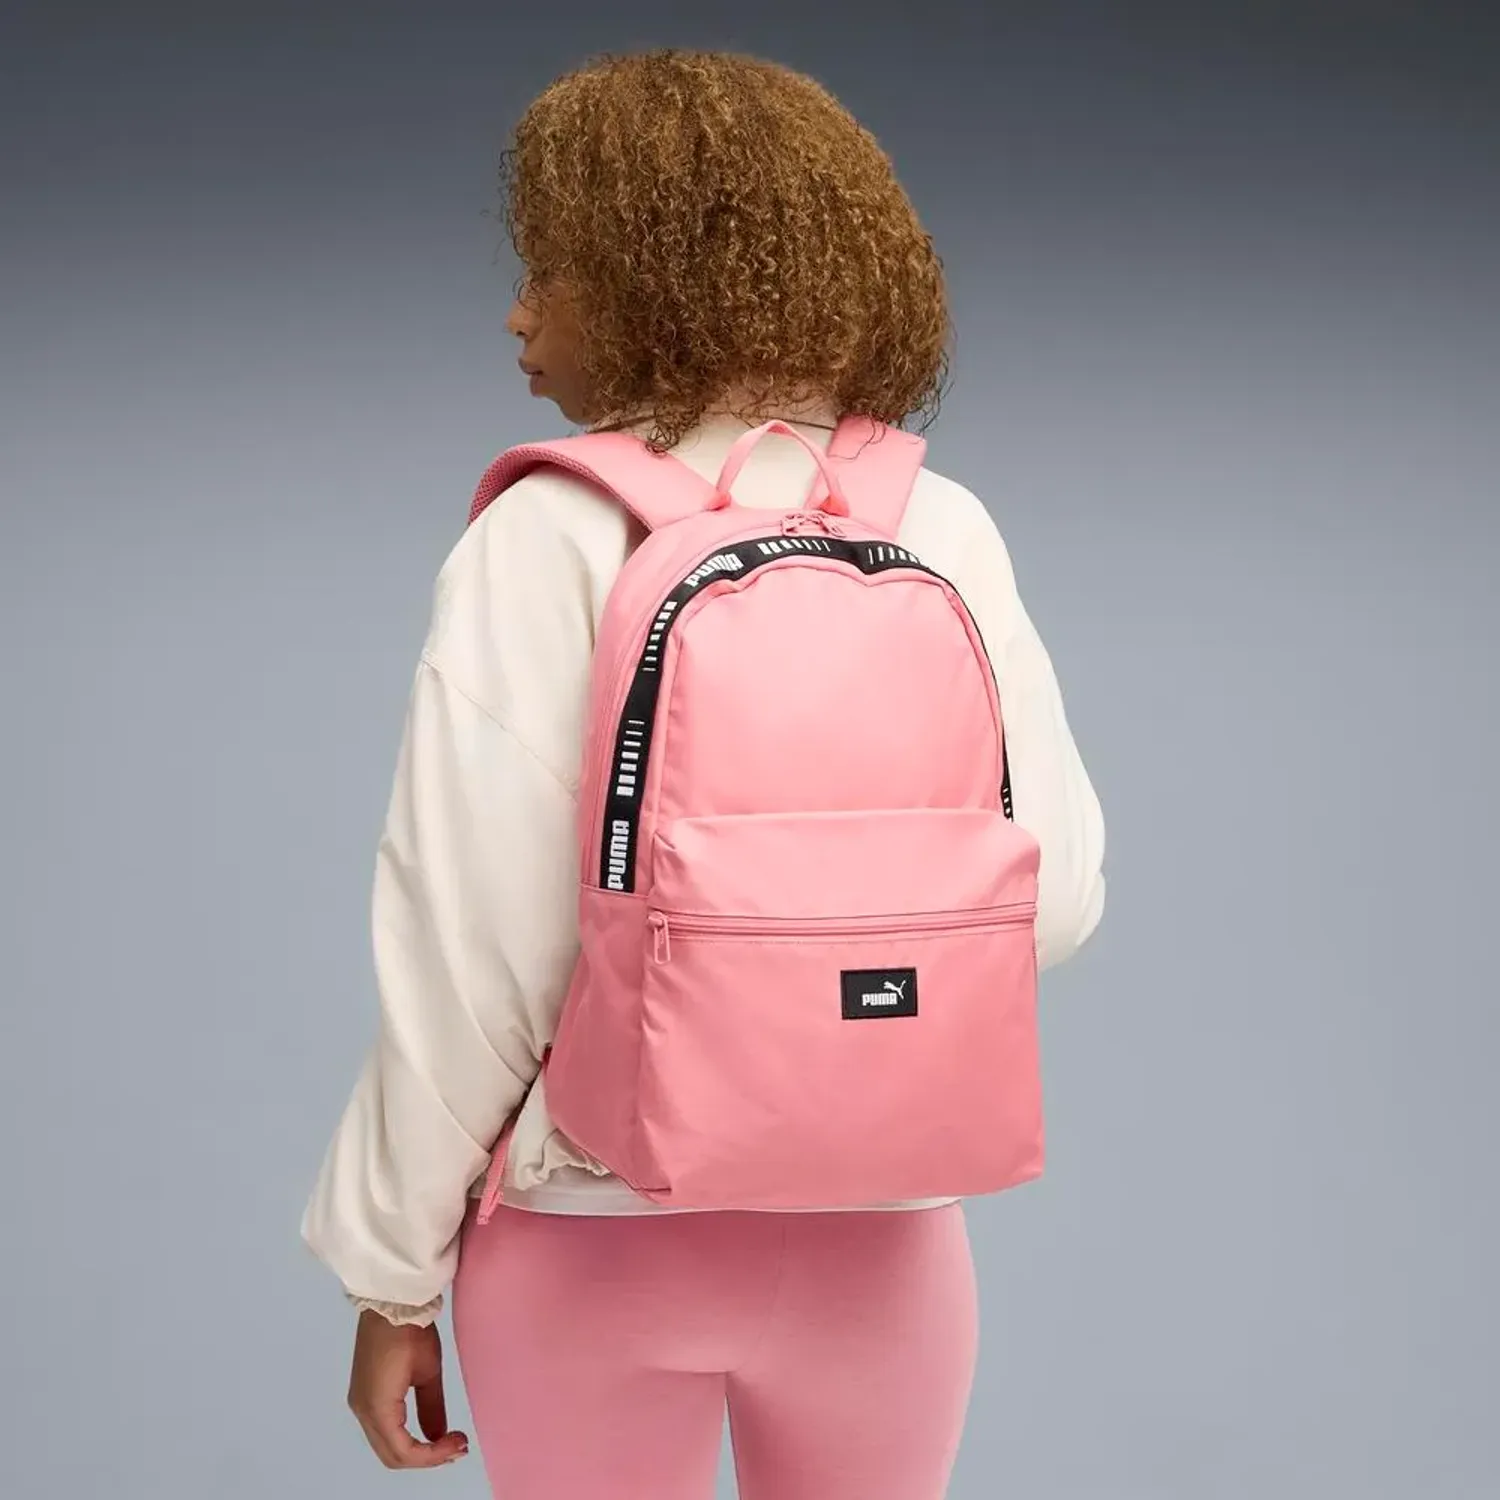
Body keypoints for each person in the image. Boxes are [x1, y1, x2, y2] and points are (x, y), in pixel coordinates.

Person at [302, 47, 1105, 1500]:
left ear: (650, 281)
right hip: (885, 1242)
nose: (518, 313)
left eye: (550, 271)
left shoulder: (545, 536)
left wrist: (391, 1275)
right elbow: (1050, 900)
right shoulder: (937, 523)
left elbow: (467, 957)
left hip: (586, 1246)